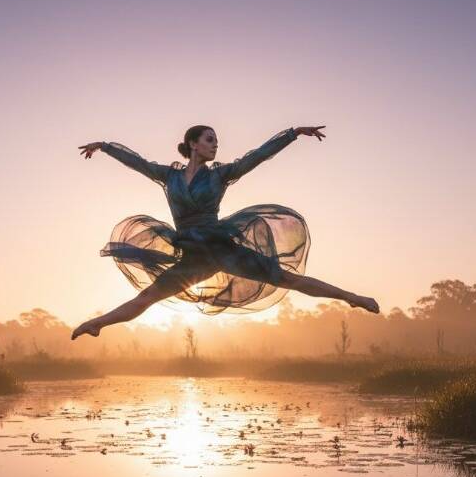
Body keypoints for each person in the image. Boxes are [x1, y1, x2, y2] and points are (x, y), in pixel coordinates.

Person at [71, 125, 379, 340]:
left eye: (216, 141)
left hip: (222, 249)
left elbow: (257, 156)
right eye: (209, 139)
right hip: (192, 256)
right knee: (148, 297)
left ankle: (351, 297)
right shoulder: (169, 176)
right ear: (193, 144)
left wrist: (292, 134)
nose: (215, 144)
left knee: (287, 279)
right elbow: (137, 162)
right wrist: (105, 147)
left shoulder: (221, 174)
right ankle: (98, 324)